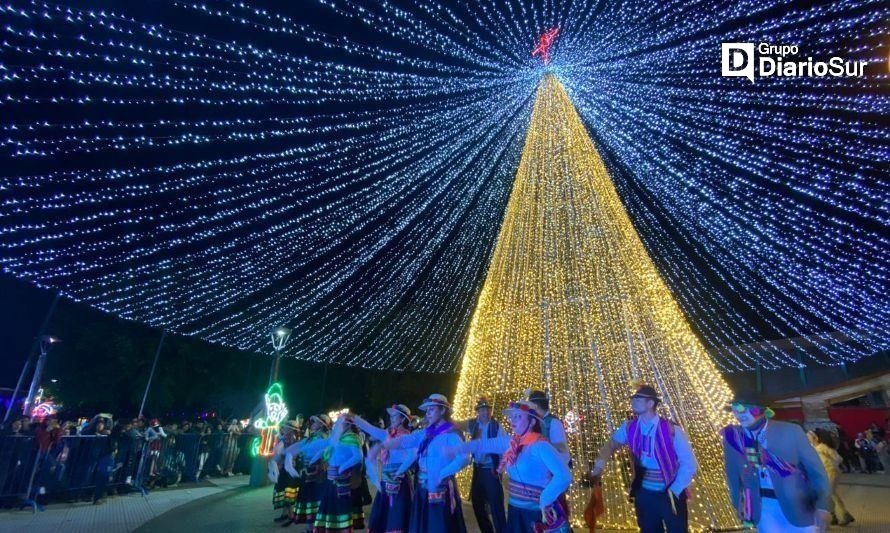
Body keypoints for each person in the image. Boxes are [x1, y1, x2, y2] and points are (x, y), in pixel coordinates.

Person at [591, 384, 697, 533]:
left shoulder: (671, 429)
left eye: (638, 399)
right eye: (633, 399)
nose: (633, 402)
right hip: (644, 493)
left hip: (670, 492)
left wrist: (676, 488)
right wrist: (599, 466)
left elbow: (689, 463)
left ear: (651, 403)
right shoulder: (630, 426)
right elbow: (610, 445)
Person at [722, 390, 831, 532]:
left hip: (799, 508)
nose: (739, 414)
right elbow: (733, 476)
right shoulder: (733, 437)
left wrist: (823, 505)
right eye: (735, 410)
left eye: (744, 409)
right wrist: (739, 506)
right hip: (763, 510)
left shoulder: (791, 431)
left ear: (761, 410)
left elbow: (816, 471)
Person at [458, 399, 572, 532]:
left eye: (518, 416)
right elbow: (484, 444)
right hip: (515, 510)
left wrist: (545, 499)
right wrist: (458, 448)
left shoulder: (541, 445)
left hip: (535, 513)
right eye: (512, 417)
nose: (513, 420)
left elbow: (564, 476)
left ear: (532, 421)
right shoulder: (512, 443)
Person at [384, 393, 470, 533]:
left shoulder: (451, 434)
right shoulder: (426, 433)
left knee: (438, 525)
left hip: (439, 487)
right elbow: (411, 448)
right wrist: (398, 467)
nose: (427, 413)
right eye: (427, 410)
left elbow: (465, 458)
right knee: (423, 524)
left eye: (431, 409)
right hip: (422, 486)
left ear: (442, 411)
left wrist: (441, 474)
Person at [350, 405, 416, 533]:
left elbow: (413, 455)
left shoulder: (407, 437)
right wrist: (354, 418)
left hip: (399, 480)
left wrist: (400, 470)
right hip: (387, 478)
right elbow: (370, 429)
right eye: (390, 416)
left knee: (396, 514)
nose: (391, 418)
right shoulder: (388, 433)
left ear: (402, 419)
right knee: (385, 512)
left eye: (394, 416)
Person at [302, 416, 364, 532]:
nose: (337, 426)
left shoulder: (352, 438)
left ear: (348, 425)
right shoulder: (339, 438)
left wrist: (342, 467)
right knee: (331, 509)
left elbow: (358, 456)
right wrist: (314, 458)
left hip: (341, 479)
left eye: (340, 424)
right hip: (331, 479)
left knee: (341, 509)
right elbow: (327, 449)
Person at [455, 396, 507, 533]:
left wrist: (500, 469)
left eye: (487, 410)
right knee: (477, 504)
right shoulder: (473, 424)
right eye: (482, 410)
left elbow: (504, 449)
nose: (485, 413)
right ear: (478, 411)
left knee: (496, 505)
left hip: (491, 470)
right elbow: (457, 424)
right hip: (477, 469)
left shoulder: (496, 426)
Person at [283, 414, 332, 527]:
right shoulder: (312, 436)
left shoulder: (322, 437)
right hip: (308, 472)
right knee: (310, 499)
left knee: (316, 499)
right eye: (313, 422)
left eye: (315, 422)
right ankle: (310, 527)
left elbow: (323, 453)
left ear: (321, 425)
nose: (312, 424)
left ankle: (314, 527)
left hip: (316, 473)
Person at [807, 430, 853, 526]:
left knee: (829, 494)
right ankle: (836, 516)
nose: (807, 438)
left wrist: (831, 464)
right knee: (830, 494)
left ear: (816, 437)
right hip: (822, 474)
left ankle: (843, 515)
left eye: (809, 436)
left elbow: (838, 458)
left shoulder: (822, 447)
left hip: (831, 471)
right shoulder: (812, 449)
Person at [271, 420, 302, 524]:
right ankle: (284, 514)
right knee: (283, 490)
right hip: (283, 469)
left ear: (291, 430)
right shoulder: (283, 439)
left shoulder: (294, 441)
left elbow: (293, 455)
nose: (283, 429)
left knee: (289, 492)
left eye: (286, 428)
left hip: (290, 469)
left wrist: (283, 455)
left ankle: (291, 515)